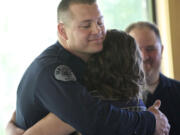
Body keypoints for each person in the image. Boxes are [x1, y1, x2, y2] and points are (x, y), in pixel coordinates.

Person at [6, 0, 170, 135]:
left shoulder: (88, 65)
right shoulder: (52, 69)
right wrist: (150, 121)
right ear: (63, 31)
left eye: (100, 22)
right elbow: (93, 119)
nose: (97, 30)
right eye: (86, 25)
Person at [126, 21, 180, 135]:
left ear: (162, 50)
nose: (144, 56)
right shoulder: (114, 100)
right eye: (137, 49)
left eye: (150, 49)